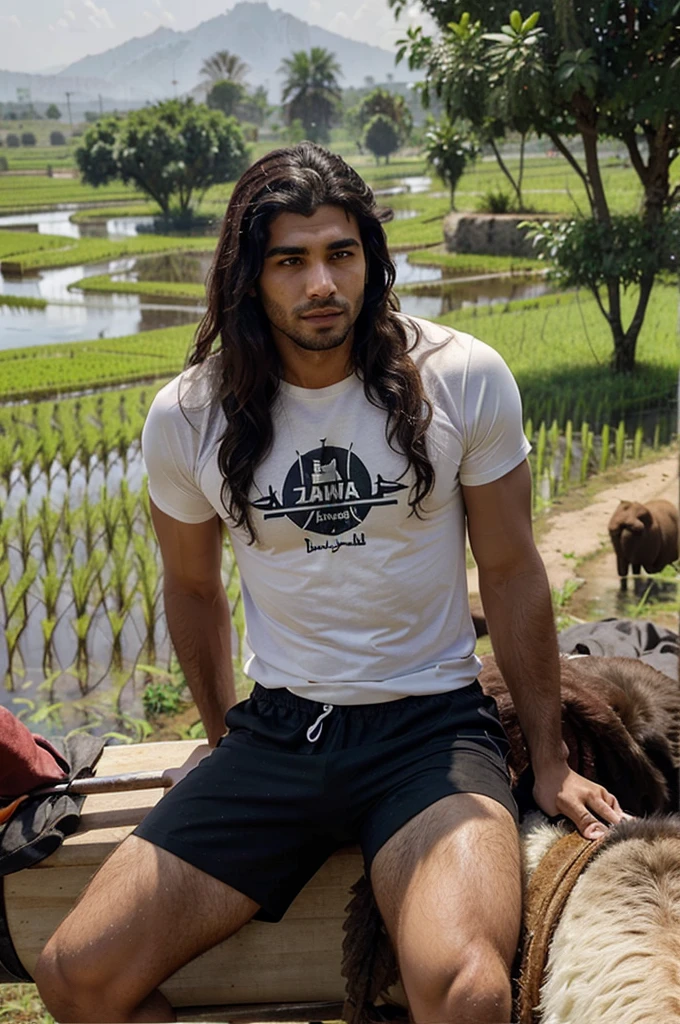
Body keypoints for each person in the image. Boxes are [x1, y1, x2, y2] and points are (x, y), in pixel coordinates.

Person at [34, 143, 624, 1024]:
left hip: (429, 732)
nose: (322, 283)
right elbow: (192, 590)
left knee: (464, 992)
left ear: (371, 260)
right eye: (291, 260)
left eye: (340, 254)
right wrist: (220, 732)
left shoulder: (462, 376)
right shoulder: (189, 415)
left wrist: (548, 761)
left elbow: (510, 570)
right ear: (250, 277)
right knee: (75, 975)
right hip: (280, 735)